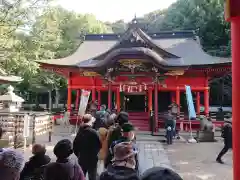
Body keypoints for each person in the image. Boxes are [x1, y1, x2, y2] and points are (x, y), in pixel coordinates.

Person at [73, 114, 101, 180]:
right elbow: (99, 145)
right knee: (92, 177)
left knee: (81, 177)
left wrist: (79, 155)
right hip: (92, 159)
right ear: (90, 121)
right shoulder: (94, 132)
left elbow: (75, 146)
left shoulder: (80, 131)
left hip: (82, 158)